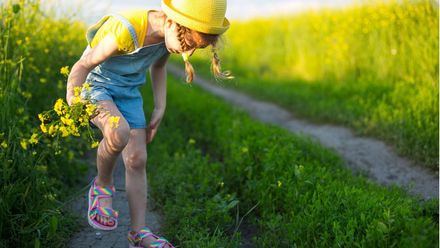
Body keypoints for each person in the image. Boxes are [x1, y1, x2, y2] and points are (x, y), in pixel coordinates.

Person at [65, 0, 232, 247]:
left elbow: (159, 66)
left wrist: (159, 107)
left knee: (137, 159)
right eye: (187, 44)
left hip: (128, 92)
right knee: (117, 132)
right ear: (172, 22)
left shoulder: (168, 36)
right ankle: (102, 186)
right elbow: (84, 64)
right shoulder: (128, 29)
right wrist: (73, 98)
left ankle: (138, 232)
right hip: (96, 86)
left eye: (195, 49)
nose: (187, 52)